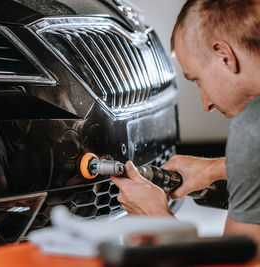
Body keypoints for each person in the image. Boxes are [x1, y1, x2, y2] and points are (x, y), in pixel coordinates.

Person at [111, 0, 260, 259]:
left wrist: (159, 221)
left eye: (197, 80)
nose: (206, 104)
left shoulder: (251, 128)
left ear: (224, 56)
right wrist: (216, 168)